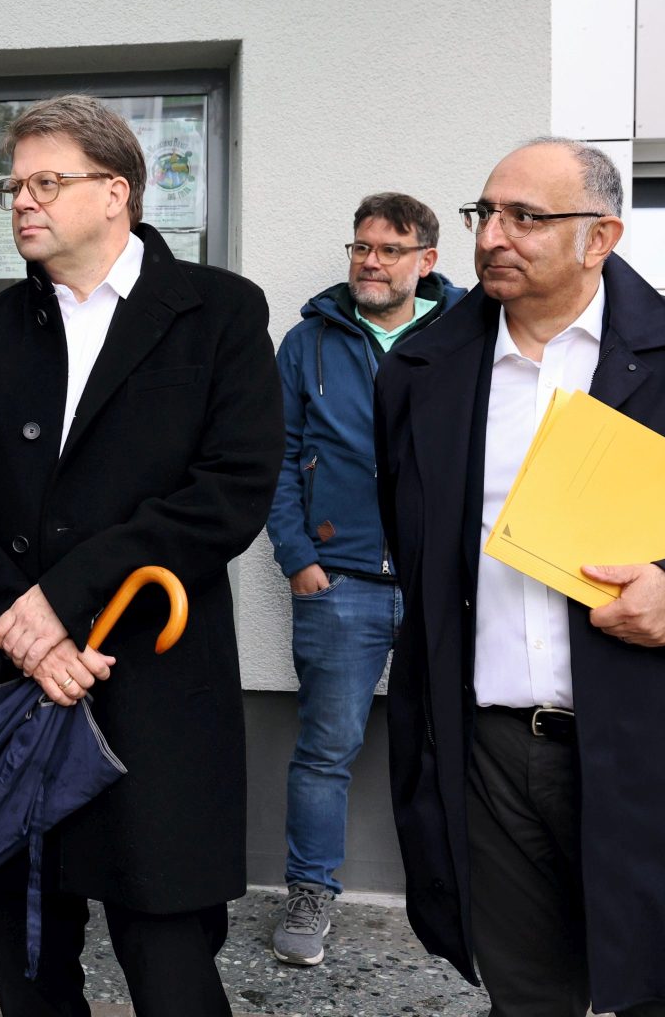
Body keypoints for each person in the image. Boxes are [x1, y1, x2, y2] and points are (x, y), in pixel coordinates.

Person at [0, 95, 282, 1017]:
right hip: (14, 696)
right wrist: (21, 623)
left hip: (153, 695)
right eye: (14, 185)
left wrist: (64, 599)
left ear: (116, 192)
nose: (22, 202)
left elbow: (226, 493)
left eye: (47, 182)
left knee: (173, 973)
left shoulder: (219, 313)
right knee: (29, 968)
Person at [377, 138, 665, 1016]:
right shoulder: (420, 371)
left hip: (662, 746)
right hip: (491, 758)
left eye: (527, 217)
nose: (492, 238)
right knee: (528, 1000)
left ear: (602, 237)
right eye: (486, 214)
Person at [265, 192, 465, 966]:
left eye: (389, 249)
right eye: (360, 248)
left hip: (441, 584)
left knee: (457, 741)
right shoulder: (308, 342)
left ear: (426, 260)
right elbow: (275, 460)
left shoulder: (467, 336)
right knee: (325, 749)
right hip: (338, 584)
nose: (370, 262)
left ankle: (468, 894)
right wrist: (298, 558)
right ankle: (310, 893)